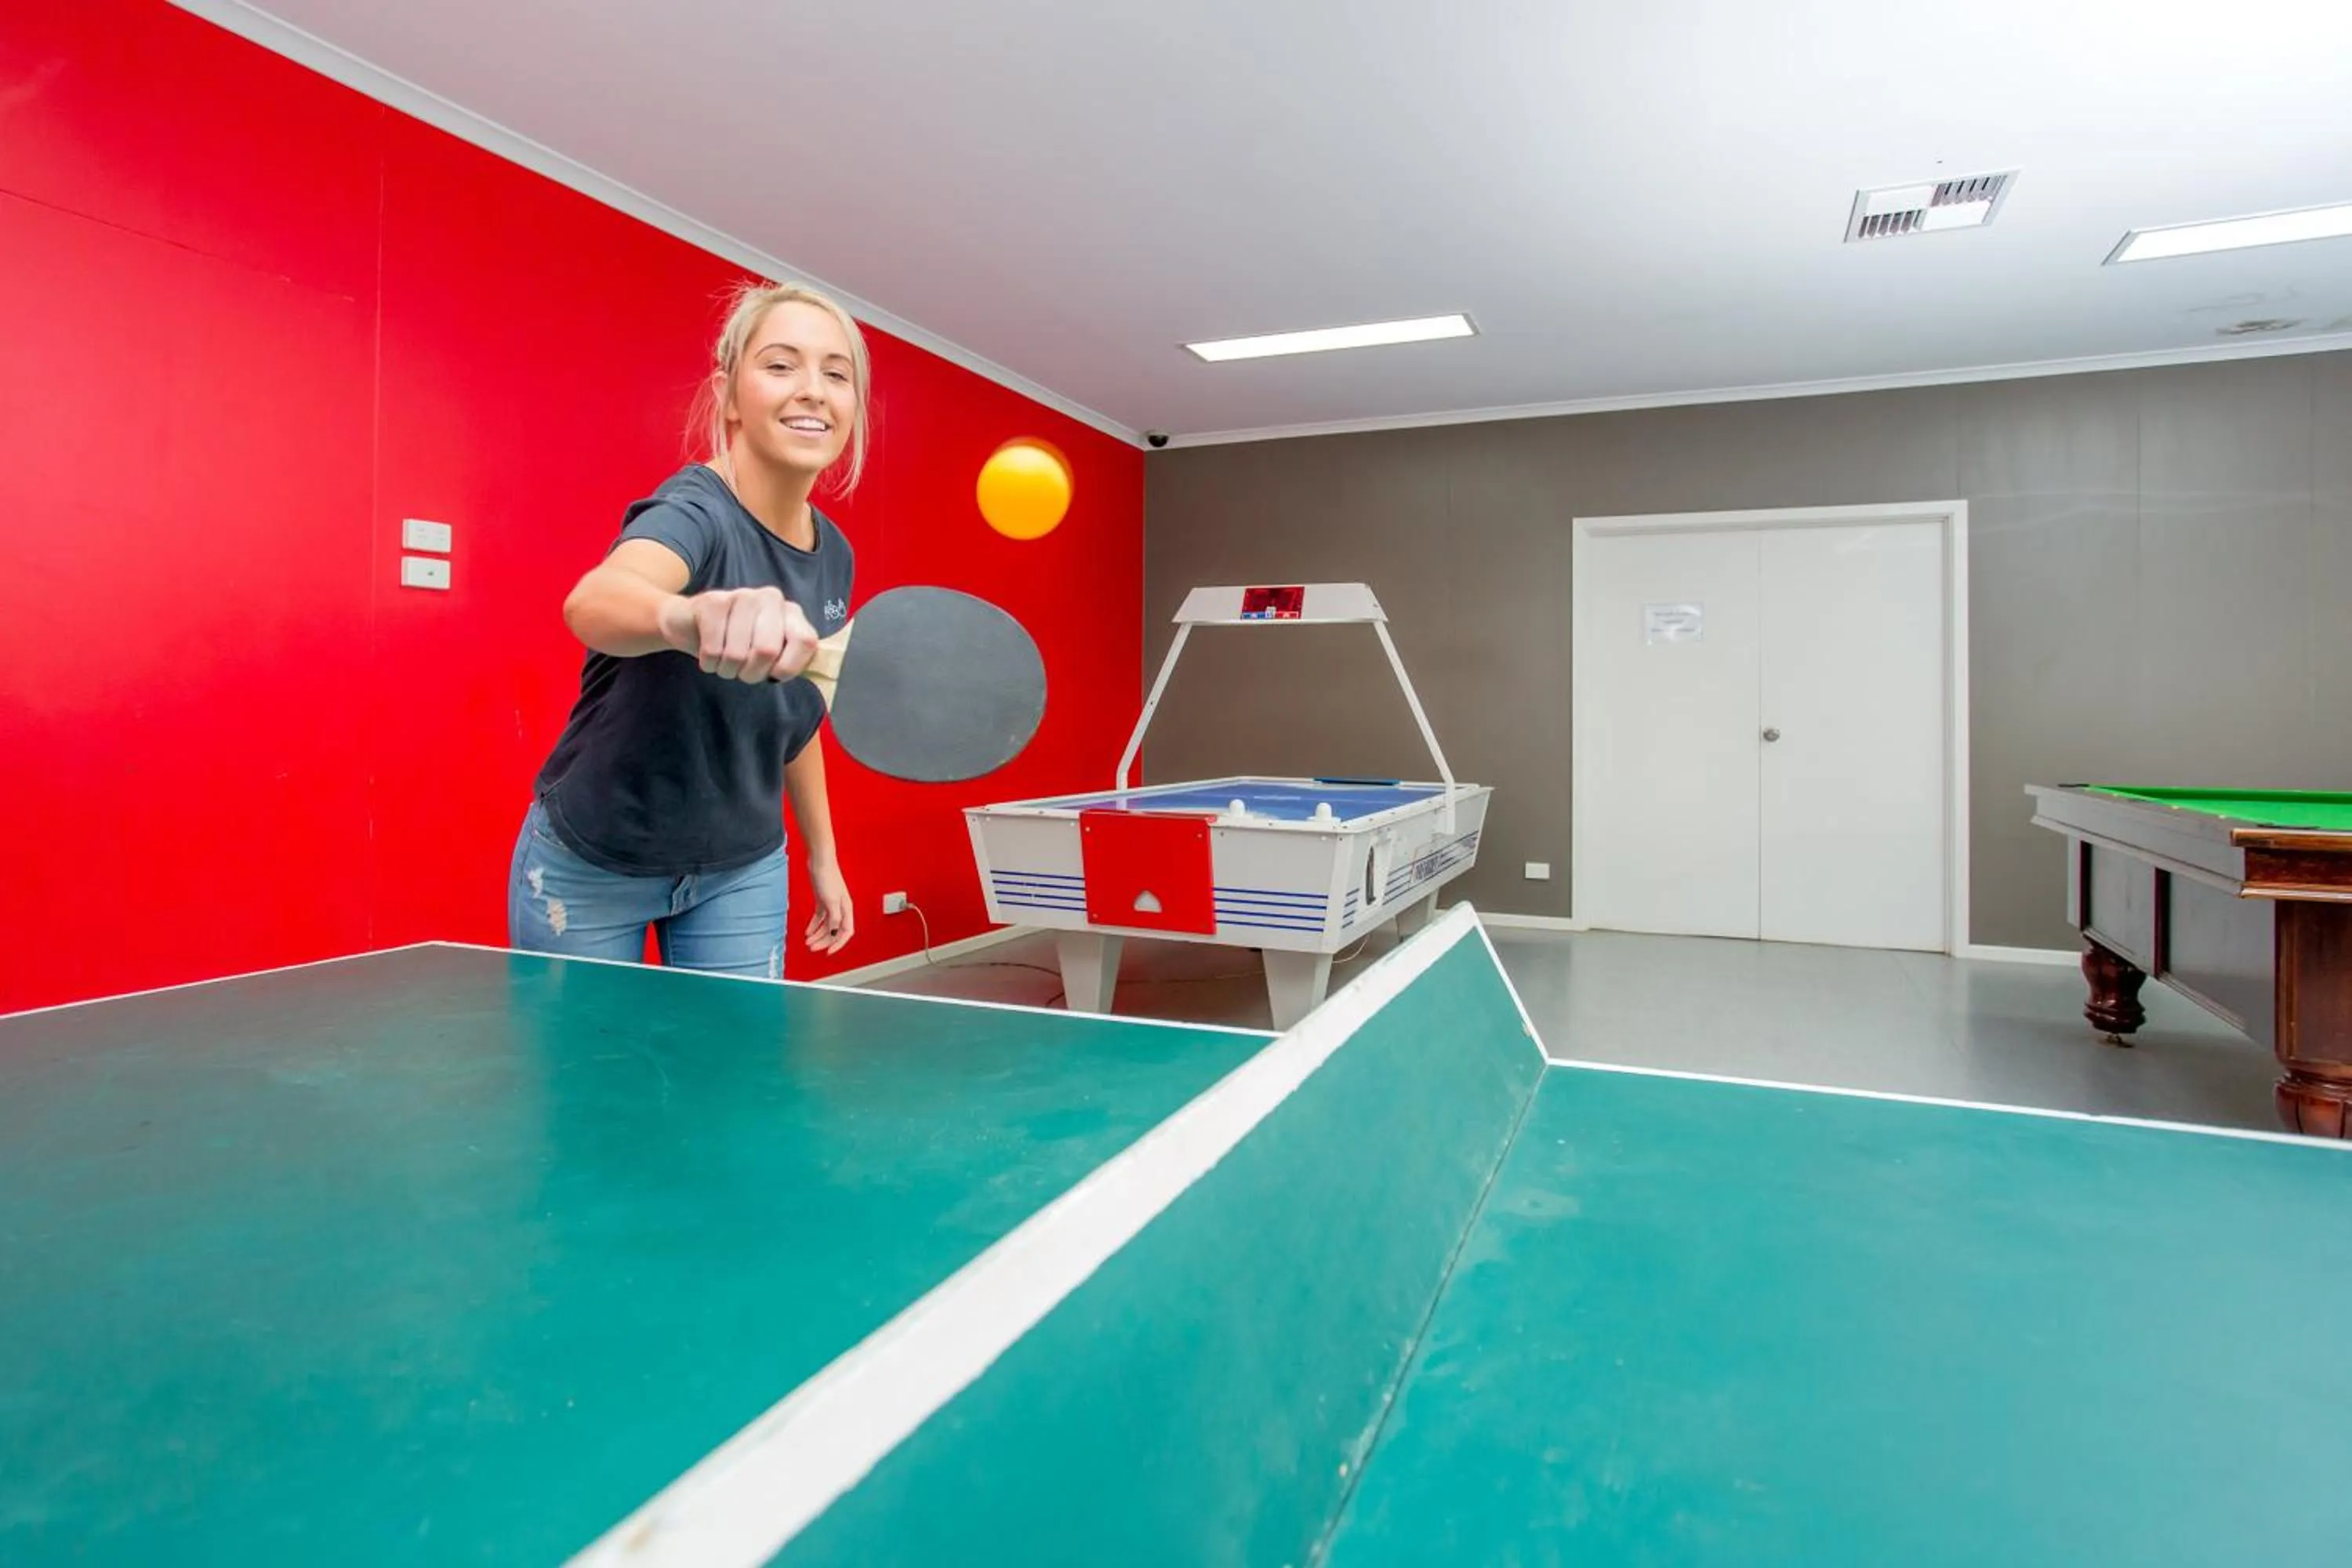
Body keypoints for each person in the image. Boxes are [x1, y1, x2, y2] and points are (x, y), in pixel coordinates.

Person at [508, 280, 864, 978]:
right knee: (590, 1084)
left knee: (728, 1082)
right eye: (781, 365)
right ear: (729, 395)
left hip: (744, 866)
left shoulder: (836, 553)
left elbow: (799, 712)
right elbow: (596, 601)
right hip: (598, 856)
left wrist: (823, 855)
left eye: (836, 373)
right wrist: (687, 615)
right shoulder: (694, 512)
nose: (814, 391)